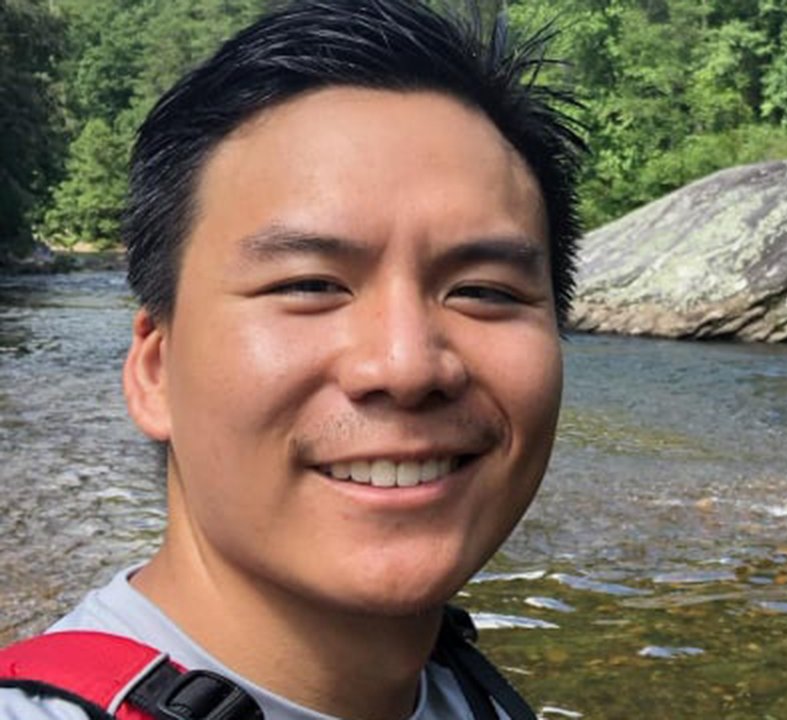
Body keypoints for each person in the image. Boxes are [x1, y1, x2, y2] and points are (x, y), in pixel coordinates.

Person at [0, 1, 584, 718]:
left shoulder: (466, 689)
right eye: (309, 285)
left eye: (482, 291)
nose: (406, 366)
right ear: (155, 372)